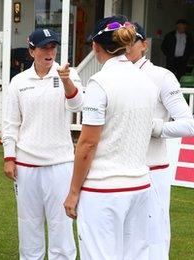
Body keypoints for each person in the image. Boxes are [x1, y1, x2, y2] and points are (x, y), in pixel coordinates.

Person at [63, 16, 159, 259]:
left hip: (104, 189)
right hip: (139, 185)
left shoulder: (99, 83)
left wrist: (73, 192)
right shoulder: (146, 81)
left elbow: (87, 144)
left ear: (96, 46)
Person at [2, 28, 83, 260]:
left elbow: (77, 105)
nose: (50, 52)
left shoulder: (68, 73)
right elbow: (11, 123)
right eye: (44, 47)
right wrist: (9, 157)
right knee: (29, 225)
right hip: (26, 166)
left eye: (53, 47)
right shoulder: (18, 81)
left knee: (61, 225)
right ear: (31, 51)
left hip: (60, 164)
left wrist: (66, 81)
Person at [128, 22, 194, 260]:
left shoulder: (161, 76)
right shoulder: (108, 76)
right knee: (125, 236)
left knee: (154, 235)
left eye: (131, 39)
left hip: (152, 168)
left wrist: (153, 127)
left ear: (144, 45)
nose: (124, 45)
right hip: (118, 169)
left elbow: (188, 124)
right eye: (119, 39)